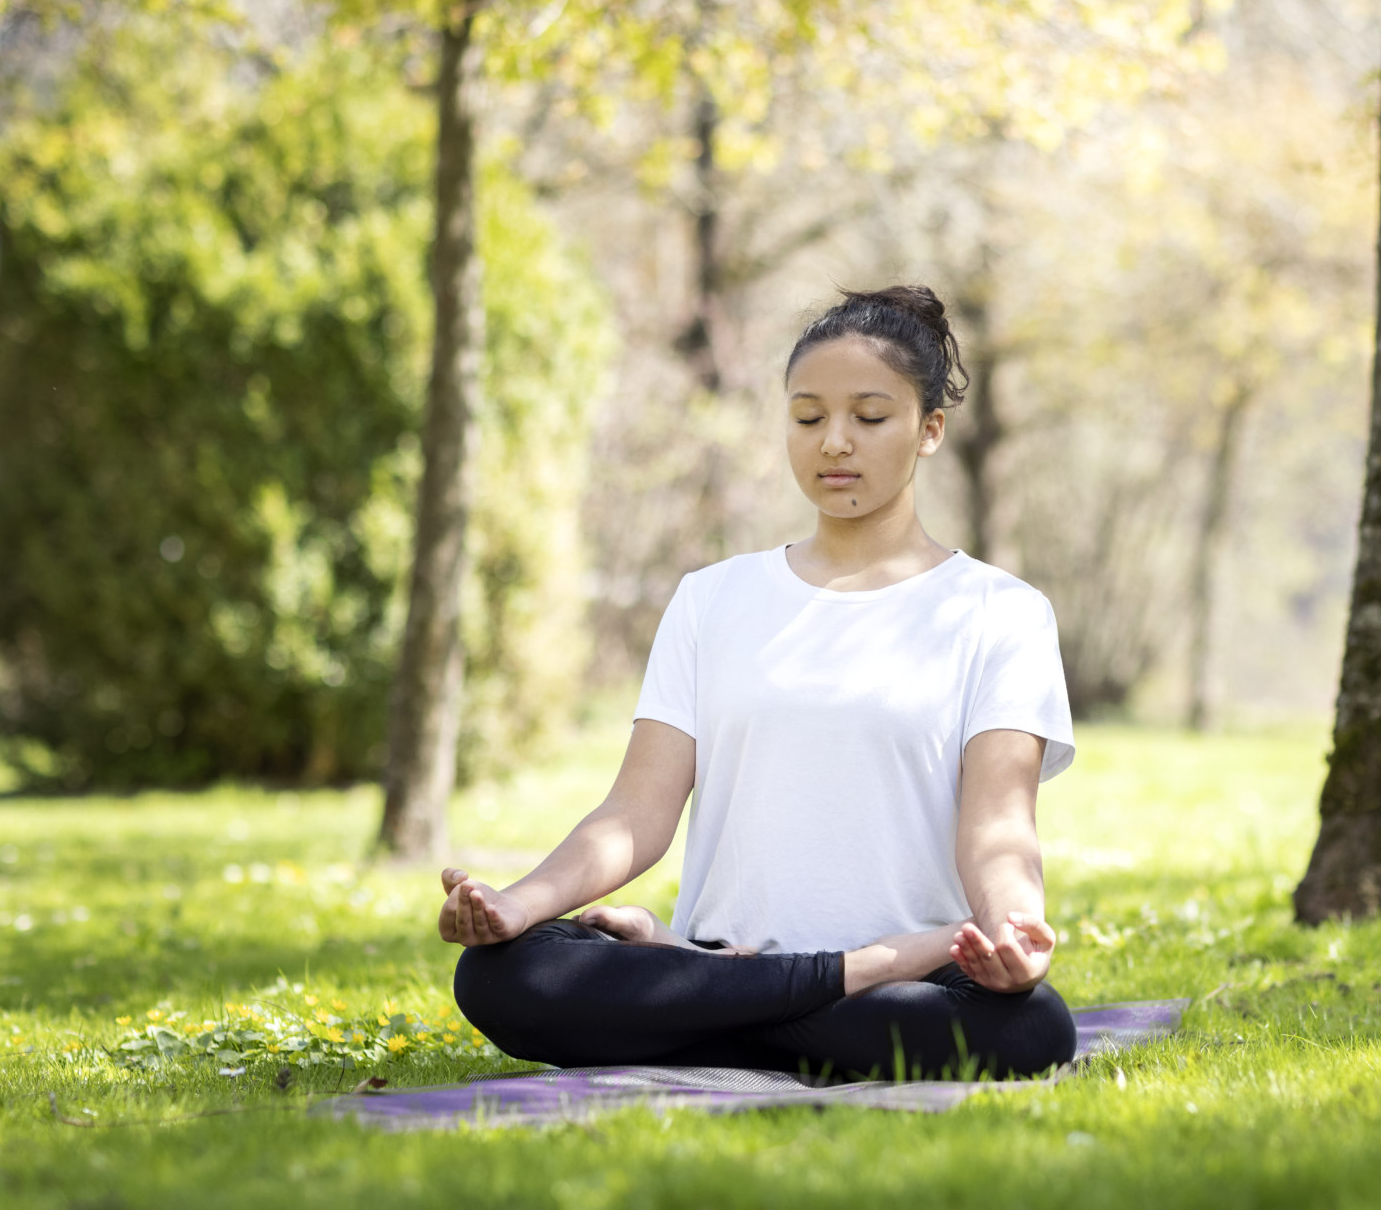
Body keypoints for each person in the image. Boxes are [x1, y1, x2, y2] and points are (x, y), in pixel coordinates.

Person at [440, 285, 1079, 1081]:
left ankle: (722, 1008)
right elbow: (636, 812)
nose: (834, 442)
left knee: (1030, 1026)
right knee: (501, 972)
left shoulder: (1000, 612)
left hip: (913, 977)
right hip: (729, 960)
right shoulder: (712, 597)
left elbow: (997, 828)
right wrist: (520, 904)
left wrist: (1013, 931)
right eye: (808, 417)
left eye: (869, 418)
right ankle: (797, 994)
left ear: (929, 430)